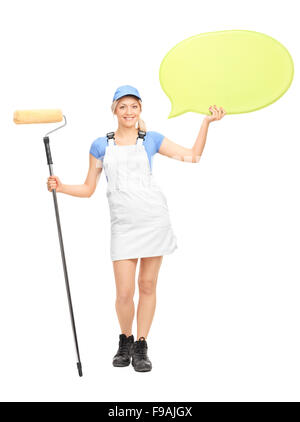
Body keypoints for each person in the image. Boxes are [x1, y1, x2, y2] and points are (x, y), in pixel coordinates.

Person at [47, 85, 226, 372]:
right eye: (123, 107)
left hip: (154, 221)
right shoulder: (100, 145)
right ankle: (125, 339)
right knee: (123, 293)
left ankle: (141, 345)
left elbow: (192, 156)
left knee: (147, 286)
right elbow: (88, 188)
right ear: (114, 110)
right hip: (124, 227)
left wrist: (205, 123)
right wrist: (61, 186)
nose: (128, 112)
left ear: (140, 109)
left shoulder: (151, 140)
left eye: (134, 106)